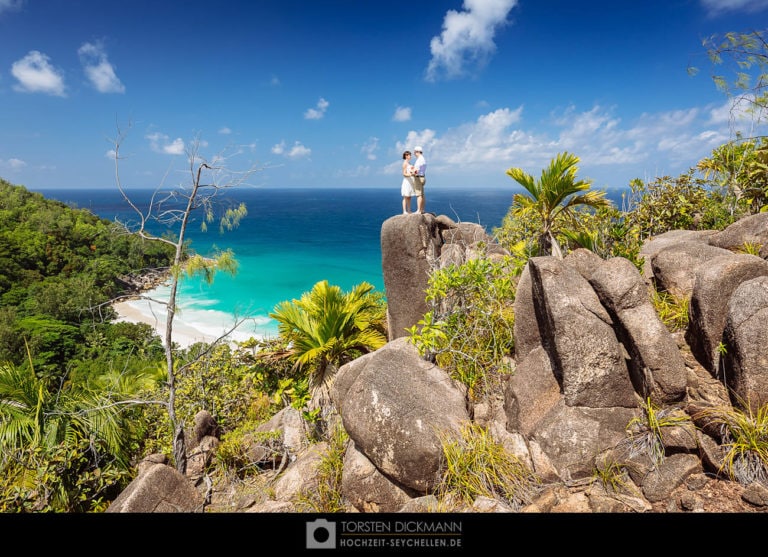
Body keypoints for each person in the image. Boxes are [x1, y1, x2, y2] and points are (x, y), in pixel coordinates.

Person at [412, 146, 427, 214]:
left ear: (417, 152)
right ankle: (422, 209)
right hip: (422, 177)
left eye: (414, 152)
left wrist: (412, 172)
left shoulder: (419, 160)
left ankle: (418, 210)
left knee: (419, 195)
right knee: (422, 194)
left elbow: (417, 170)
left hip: (418, 177)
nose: (414, 153)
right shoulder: (423, 159)